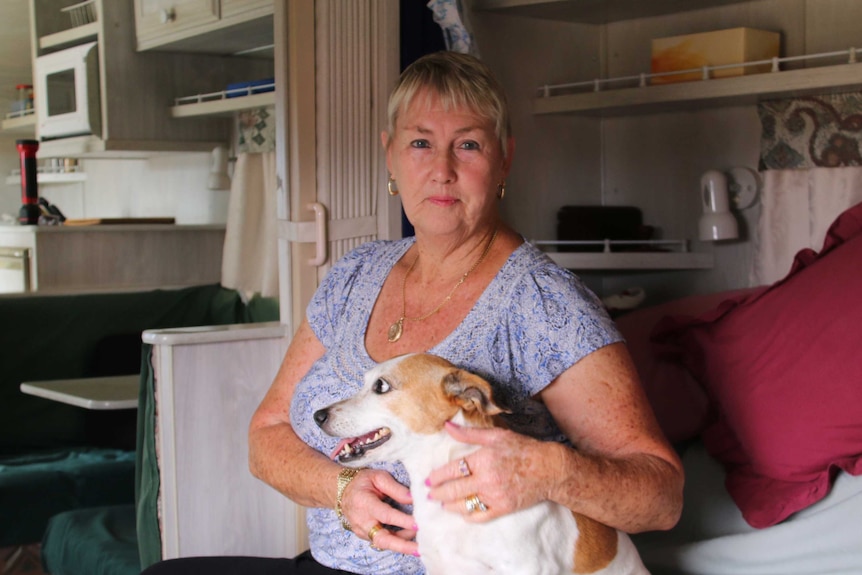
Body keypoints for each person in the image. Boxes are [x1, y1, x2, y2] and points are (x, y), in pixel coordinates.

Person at [142, 50, 683, 575]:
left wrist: (550, 471)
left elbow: (662, 498)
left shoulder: (546, 305)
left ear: (504, 159)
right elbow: (267, 435)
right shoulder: (354, 277)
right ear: (391, 156)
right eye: (421, 142)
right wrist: (341, 491)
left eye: (467, 144)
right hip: (330, 562)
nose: (442, 170)